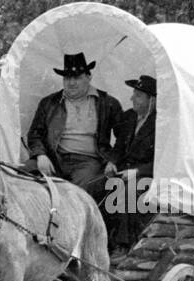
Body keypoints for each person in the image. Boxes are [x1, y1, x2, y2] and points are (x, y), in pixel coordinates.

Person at [25, 52, 126, 202]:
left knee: (78, 194)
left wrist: (113, 160)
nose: (71, 83)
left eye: (77, 77)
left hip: (88, 162)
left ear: (88, 77)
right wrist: (41, 155)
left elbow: (123, 136)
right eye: (67, 78)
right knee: (24, 176)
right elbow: (34, 133)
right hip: (54, 159)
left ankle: (72, 224)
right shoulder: (50, 103)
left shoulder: (107, 103)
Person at [104, 75, 158, 254]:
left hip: (149, 175)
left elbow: (162, 160)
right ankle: (99, 240)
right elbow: (119, 146)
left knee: (128, 193)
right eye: (134, 93)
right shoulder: (129, 116)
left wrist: (137, 171)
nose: (132, 98)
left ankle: (123, 245)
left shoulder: (162, 124)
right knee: (93, 187)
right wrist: (111, 161)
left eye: (138, 95)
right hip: (123, 171)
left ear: (152, 100)